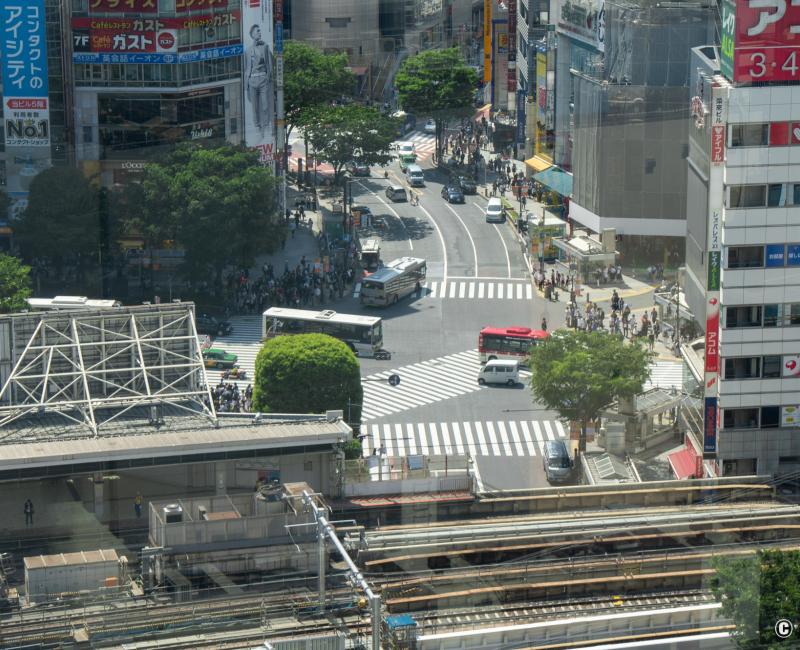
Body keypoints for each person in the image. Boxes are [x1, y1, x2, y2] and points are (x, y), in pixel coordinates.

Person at [244, 24, 274, 141]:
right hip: (252, 81)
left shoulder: (265, 47)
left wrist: (268, 77)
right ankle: (257, 127)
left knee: (265, 105)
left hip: (263, 80)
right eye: (257, 31)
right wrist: (246, 85)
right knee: (255, 107)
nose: (260, 33)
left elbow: (270, 63)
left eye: (260, 31)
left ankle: (266, 126)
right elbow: (247, 68)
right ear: (252, 34)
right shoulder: (248, 50)